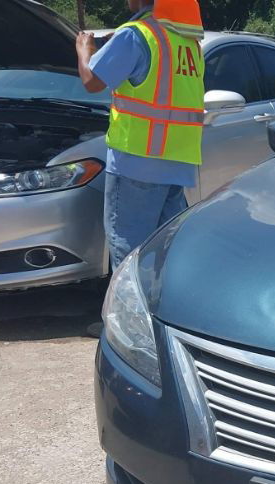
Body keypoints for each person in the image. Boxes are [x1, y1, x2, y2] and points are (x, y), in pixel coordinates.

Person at [75, 0, 205, 333]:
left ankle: (128, 335)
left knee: (127, 254)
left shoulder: (136, 35)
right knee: (162, 259)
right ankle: (163, 331)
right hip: (176, 163)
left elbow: (92, 81)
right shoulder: (187, 42)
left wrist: (84, 49)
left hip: (137, 162)